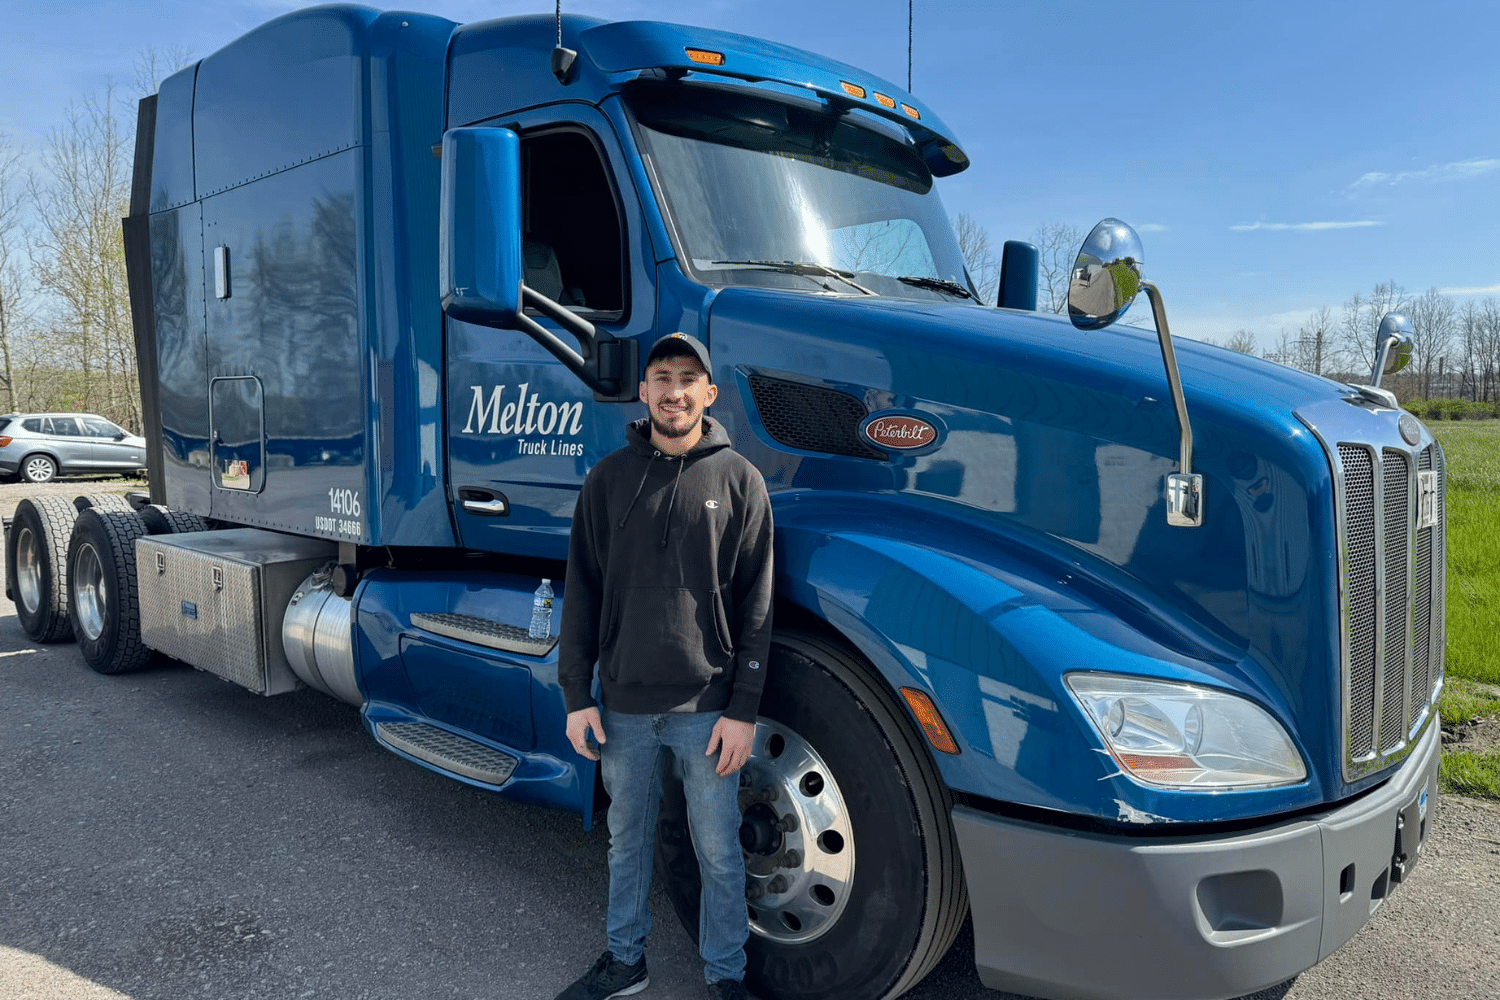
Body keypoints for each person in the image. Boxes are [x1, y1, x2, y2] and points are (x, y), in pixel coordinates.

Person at [555, 332, 774, 1000]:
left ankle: (727, 977)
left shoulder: (740, 481)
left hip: (706, 714)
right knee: (627, 845)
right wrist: (576, 694)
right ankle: (626, 963)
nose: (673, 391)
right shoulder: (608, 481)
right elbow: (583, 590)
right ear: (643, 391)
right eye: (661, 378)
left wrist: (742, 711)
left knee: (718, 853)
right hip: (622, 707)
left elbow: (758, 607)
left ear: (709, 395)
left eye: (687, 379)